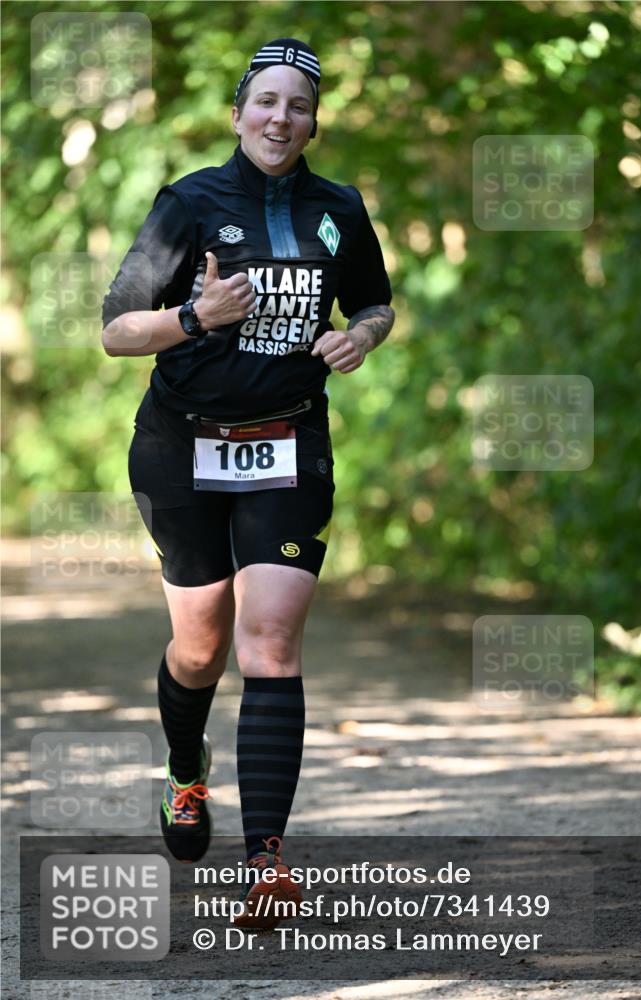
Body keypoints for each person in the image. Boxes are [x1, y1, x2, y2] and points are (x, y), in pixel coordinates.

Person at [101, 38, 394, 928]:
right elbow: (117, 332)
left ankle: (266, 861)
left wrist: (362, 338)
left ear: (313, 123)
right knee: (200, 647)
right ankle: (186, 774)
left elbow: (374, 300)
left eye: (298, 106)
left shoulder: (338, 209)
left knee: (271, 643)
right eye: (265, 102)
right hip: (182, 446)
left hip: (287, 444)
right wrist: (196, 316)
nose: (281, 118)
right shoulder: (189, 202)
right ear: (238, 113)